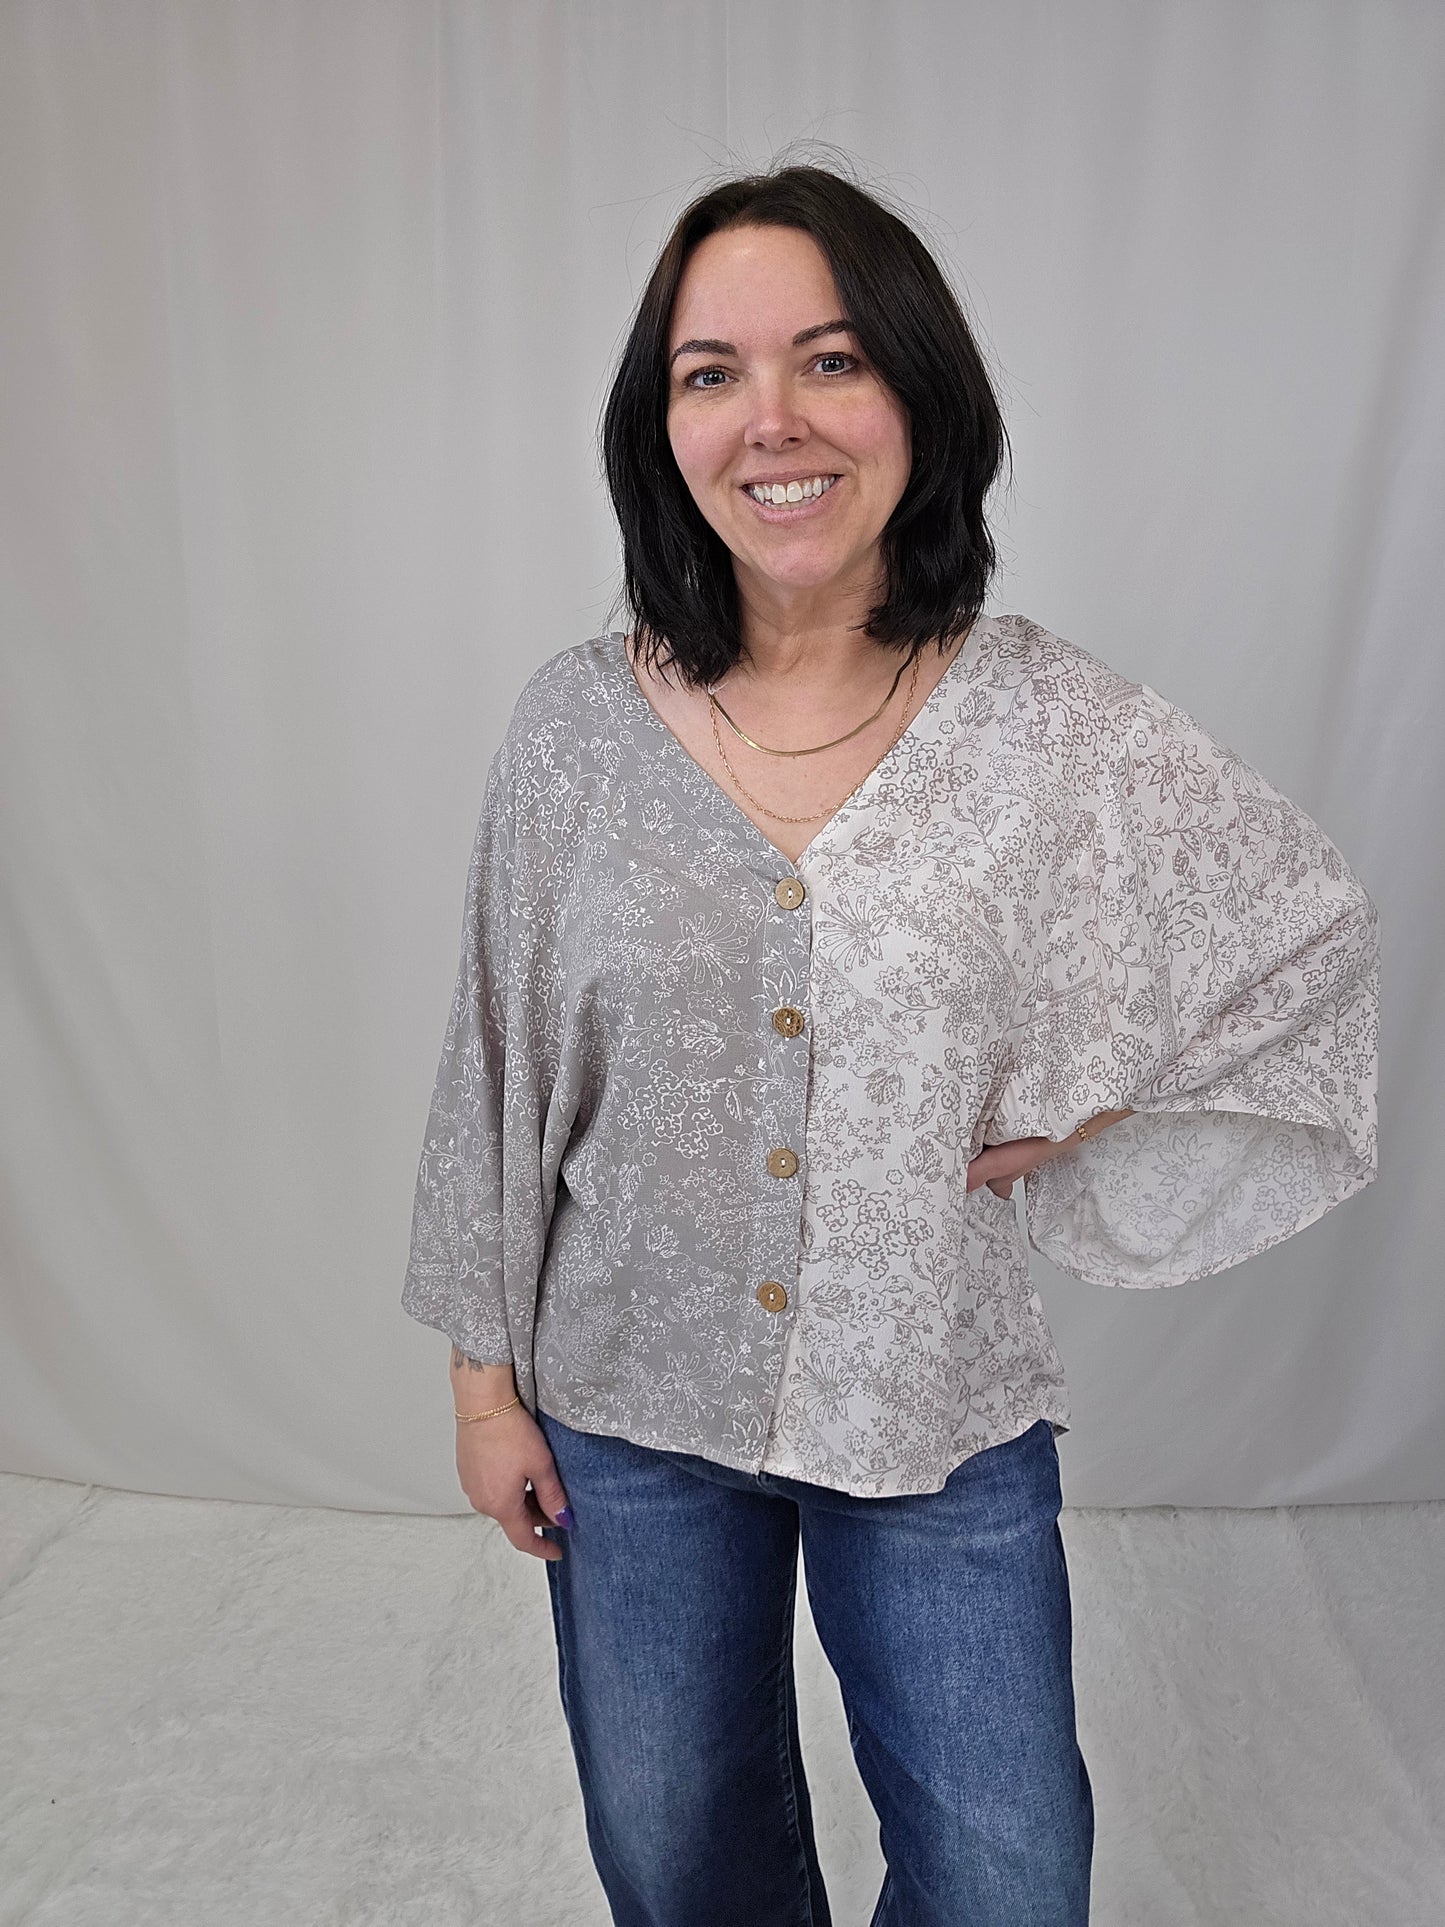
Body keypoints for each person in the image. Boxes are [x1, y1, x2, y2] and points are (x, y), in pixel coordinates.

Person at [401, 162, 1379, 1927]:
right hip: (625, 1409)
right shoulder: (572, 729)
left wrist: (1089, 1104)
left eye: (830, 360)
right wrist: (485, 1393)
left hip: (934, 1400)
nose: (770, 419)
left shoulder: (1049, 721)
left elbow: (1298, 926)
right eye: (710, 372)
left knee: (1008, 1876)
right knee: (675, 1860)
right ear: (660, 427)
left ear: (919, 397)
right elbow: (497, 1073)